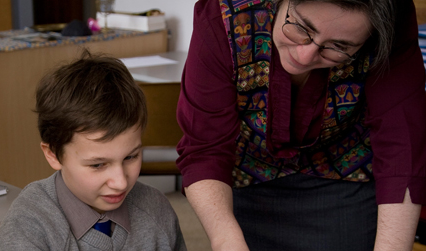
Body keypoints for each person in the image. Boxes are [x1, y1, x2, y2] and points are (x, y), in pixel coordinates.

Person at [177, 0, 426, 250]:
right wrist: (225, 240)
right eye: (301, 27)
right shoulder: (224, 13)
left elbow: (402, 147)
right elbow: (205, 147)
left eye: (338, 46)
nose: (304, 56)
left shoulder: (392, 18)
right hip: (243, 179)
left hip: (347, 180)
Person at [0, 51, 187, 250]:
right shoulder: (28, 226)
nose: (120, 182)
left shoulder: (157, 210)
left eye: (131, 156)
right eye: (98, 164)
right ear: (53, 154)